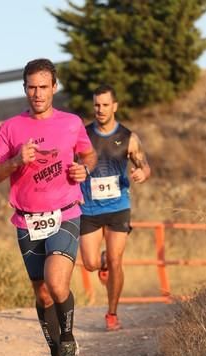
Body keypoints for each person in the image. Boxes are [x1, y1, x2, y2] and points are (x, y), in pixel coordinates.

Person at [0, 58, 97, 356]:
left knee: (56, 281)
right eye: (31, 87)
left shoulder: (72, 123)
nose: (37, 93)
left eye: (43, 86)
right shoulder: (10, 128)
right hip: (27, 219)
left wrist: (83, 170)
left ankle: (68, 341)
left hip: (65, 212)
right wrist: (17, 161)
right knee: (43, 294)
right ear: (24, 89)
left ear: (54, 88)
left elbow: (87, 155)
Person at [79, 85, 151, 331]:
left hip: (118, 206)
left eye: (105, 105)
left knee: (116, 259)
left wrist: (142, 171)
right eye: (96, 105)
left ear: (115, 106)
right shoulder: (83, 134)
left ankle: (111, 314)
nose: (100, 109)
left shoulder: (129, 137)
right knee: (89, 263)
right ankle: (102, 261)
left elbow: (145, 165)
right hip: (88, 208)